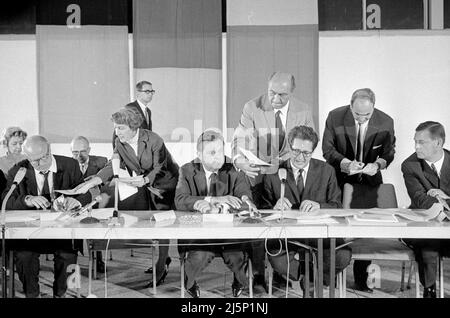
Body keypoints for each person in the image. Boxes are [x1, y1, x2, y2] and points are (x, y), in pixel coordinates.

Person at [75, 107, 179, 287]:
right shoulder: (119, 141)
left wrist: (146, 179)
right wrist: (93, 182)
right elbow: (113, 163)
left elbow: (160, 167)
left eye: (120, 128)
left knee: (162, 222)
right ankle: (163, 258)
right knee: (150, 220)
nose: (116, 132)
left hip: (164, 183)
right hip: (143, 183)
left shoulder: (154, 139)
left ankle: (162, 265)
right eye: (115, 128)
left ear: (133, 126)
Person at [232, 71, 315, 287]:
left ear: (291, 92)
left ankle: (282, 273)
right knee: (257, 226)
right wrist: (239, 160)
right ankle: (258, 275)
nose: (275, 99)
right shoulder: (252, 107)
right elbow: (240, 138)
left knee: (284, 221)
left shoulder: (303, 110)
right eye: (272, 93)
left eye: (282, 95)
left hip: (287, 175)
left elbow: (309, 142)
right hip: (258, 175)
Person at [322, 88, 395, 292]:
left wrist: (378, 164)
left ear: (374, 107)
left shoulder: (386, 121)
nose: (362, 119)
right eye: (357, 115)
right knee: (337, 227)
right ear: (350, 105)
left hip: (369, 180)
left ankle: (362, 279)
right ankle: (334, 274)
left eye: (367, 115)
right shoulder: (335, 117)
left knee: (366, 228)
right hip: (339, 178)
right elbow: (327, 150)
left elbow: (389, 151)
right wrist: (345, 163)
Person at [261, 126, 351, 292]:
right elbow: (263, 208)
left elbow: (337, 206)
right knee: (276, 257)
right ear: (289, 146)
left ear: (313, 151)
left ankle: (310, 282)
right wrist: (275, 208)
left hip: (319, 236)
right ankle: (309, 279)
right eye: (296, 151)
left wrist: (320, 206)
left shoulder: (327, 171)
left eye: (306, 153)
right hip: (287, 237)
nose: (300, 157)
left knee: (342, 255)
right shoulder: (274, 172)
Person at [1, 135, 91, 298]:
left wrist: (75, 200)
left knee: (69, 255)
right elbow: (6, 201)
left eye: (42, 159)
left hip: (63, 230)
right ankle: (32, 294)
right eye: (33, 161)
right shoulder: (19, 170)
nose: (38, 165)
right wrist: (27, 200)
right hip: (31, 233)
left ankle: (62, 293)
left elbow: (86, 195)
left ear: (49, 151)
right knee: (23, 257)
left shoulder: (70, 165)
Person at [175, 129, 255, 298]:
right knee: (198, 257)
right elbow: (180, 199)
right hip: (200, 235)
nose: (218, 156)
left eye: (220, 151)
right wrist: (209, 200)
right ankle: (189, 283)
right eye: (212, 152)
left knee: (237, 257)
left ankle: (240, 281)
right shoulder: (187, 170)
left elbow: (245, 200)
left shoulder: (233, 170)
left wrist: (227, 205)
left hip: (230, 234)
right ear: (199, 154)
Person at [402, 121, 450, 298]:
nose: (416, 146)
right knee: (429, 245)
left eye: (422, 142)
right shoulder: (410, 165)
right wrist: (440, 200)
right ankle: (429, 291)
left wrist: (446, 197)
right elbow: (420, 198)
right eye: (415, 141)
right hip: (423, 224)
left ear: (438, 143)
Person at [70, 136, 108, 273]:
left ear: (89, 150)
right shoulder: (68, 164)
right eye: (75, 152)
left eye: (83, 152)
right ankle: (72, 258)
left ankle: (97, 257)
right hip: (77, 203)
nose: (79, 156)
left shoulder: (102, 161)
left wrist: (97, 181)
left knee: (96, 222)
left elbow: (109, 181)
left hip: (97, 201)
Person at [112, 81, 154, 147]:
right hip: (131, 149)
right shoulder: (129, 108)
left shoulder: (148, 111)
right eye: (147, 92)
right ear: (138, 93)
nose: (150, 94)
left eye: (152, 92)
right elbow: (117, 131)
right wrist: (116, 152)